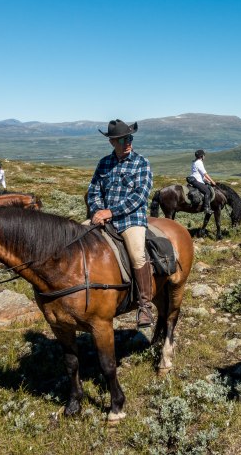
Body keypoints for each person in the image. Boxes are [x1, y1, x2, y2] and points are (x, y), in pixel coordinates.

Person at [87, 119, 155, 331]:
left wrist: (111, 212)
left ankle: (144, 306)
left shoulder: (141, 163)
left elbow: (140, 196)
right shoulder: (104, 163)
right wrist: (98, 211)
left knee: (137, 254)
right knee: (76, 238)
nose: (128, 143)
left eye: (130, 138)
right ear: (112, 142)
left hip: (131, 219)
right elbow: (94, 191)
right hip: (103, 218)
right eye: (123, 140)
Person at [187, 149, 216, 215]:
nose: (204, 157)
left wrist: (207, 180)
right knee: (207, 191)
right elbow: (205, 173)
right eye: (204, 155)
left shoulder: (195, 162)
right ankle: (206, 208)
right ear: (201, 156)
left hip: (194, 179)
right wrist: (212, 181)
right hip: (197, 180)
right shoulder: (199, 162)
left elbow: (200, 174)